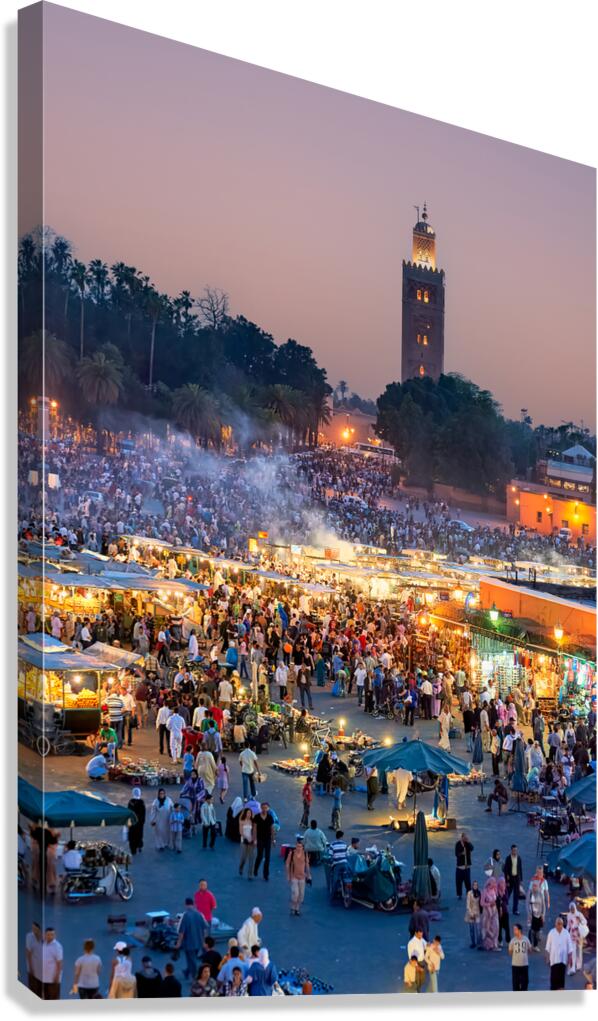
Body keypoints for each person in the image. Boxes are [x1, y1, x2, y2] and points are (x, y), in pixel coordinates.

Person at [176, 898, 209, 981]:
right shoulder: (199, 914)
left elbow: (181, 932)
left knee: (192, 960)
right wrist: (204, 941)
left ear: (185, 904)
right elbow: (205, 928)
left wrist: (178, 944)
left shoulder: (185, 915)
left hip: (189, 943)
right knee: (192, 958)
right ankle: (187, 972)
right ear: (193, 904)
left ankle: (195, 978)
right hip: (199, 942)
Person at [545, 916, 574, 990]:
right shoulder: (551, 932)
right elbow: (548, 947)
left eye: (560, 924)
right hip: (553, 961)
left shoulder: (566, 933)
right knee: (553, 980)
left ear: (562, 924)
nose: (559, 925)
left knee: (561, 981)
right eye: (558, 923)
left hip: (563, 961)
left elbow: (570, 948)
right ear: (555, 924)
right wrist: (547, 958)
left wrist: (570, 959)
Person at [286, 833, 311, 916]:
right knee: (295, 894)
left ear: (302, 847)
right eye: (297, 846)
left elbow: (307, 865)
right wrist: (288, 875)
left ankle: (297, 908)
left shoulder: (305, 854)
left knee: (301, 895)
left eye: (300, 846)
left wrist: (309, 875)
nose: (299, 848)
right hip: (294, 876)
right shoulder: (292, 854)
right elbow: (287, 864)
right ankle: (293, 907)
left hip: (302, 877)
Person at [253, 802, 275, 881]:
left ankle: (266, 874)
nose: (264, 809)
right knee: (260, 855)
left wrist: (273, 839)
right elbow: (255, 828)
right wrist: (254, 839)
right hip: (260, 839)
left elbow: (272, 829)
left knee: (267, 857)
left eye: (266, 808)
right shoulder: (257, 817)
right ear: (261, 808)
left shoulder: (270, 817)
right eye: (263, 807)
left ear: (268, 808)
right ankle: (255, 868)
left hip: (267, 839)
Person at [40, 927, 63, 1000]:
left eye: (52, 935)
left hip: (53, 980)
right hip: (44, 979)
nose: (50, 936)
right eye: (48, 934)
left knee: (53, 1000)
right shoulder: (43, 945)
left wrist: (57, 976)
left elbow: (60, 963)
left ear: (55, 935)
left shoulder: (57, 946)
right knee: (45, 999)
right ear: (45, 935)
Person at [566, 900, 588, 974]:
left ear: (575, 908)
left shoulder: (579, 914)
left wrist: (580, 923)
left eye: (573, 908)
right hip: (572, 934)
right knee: (573, 950)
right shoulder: (569, 915)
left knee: (579, 950)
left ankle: (578, 965)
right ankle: (573, 967)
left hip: (579, 934)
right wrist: (566, 932)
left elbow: (585, 921)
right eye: (571, 908)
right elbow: (568, 925)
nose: (572, 910)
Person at [508, 923, 531, 991]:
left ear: (519, 930)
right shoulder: (513, 940)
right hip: (515, 965)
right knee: (515, 984)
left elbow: (530, 950)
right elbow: (510, 952)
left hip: (524, 965)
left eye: (515, 929)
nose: (514, 931)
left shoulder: (525, 939)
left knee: (525, 983)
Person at [480, 877, 500, 951]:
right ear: (489, 883)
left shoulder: (494, 890)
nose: (495, 884)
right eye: (493, 882)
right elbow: (481, 903)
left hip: (494, 911)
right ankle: (488, 944)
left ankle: (495, 944)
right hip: (487, 913)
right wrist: (489, 904)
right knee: (487, 928)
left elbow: (496, 900)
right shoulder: (484, 891)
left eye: (495, 882)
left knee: (496, 927)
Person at [527, 879, 546, 951]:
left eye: (535, 886)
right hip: (532, 915)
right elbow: (527, 904)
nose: (534, 887)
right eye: (533, 886)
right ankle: (529, 944)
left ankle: (535, 945)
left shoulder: (540, 894)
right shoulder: (530, 893)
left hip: (539, 915)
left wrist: (543, 915)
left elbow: (543, 905)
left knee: (537, 931)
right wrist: (529, 914)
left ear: (538, 887)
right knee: (531, 930)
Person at [503, 843, 523, 916]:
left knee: (516, 895)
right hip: (510, 879)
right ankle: (504, 908)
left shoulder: (519, 858)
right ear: (511, 850)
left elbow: (520, 869)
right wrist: (506, 881)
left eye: (516, 850)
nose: (515, 851)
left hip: (517, 879)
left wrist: (521, 880)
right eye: (514, 850)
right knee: (507, 894)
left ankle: (515, 910)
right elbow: (505, 870)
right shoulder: (508, 858)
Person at [25, 921, 43, 996]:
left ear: (39, 929)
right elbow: (28, 953)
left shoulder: (42, 939)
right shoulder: (29, 937)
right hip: (32, 970)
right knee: (33, 991)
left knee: (39, 991)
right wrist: (31, 968)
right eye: (33, 928)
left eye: (35, 929)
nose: (34, 930)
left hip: (40, 971)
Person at [127, 787, 146, 856]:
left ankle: (133, 850)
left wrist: (128, 822)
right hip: (139, 823)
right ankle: (139, 846)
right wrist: (142, 822)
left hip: (132, 823)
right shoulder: (141, 802)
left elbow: (129, 812)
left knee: (132, 837)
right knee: (139, 835)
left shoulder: (131, 802)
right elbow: (143, 814)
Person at [238, 807, 257, 878]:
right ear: (245, 813)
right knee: (244, 857)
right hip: (244, 841)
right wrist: (247, 837)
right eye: (247, 813)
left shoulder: (253, 821)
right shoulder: (242, 821)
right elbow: (241, 832)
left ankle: (250, 874)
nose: (249, 814)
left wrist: (254, 839)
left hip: (251, 841)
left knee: (251, 858)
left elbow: (255, 831)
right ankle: (241, 867)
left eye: (250, 813)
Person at [455, 832, 473, 898]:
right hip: (459, 867)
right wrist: (461, 853)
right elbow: (456, 854)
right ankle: (459, 894)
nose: (465, 839)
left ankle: (469, 894)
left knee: (468, 882)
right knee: (458, 882)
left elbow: (472, 848)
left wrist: (469, 842)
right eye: (464, 838)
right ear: (461, 837)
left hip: (467, 867)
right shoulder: (458, 844)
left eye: (466, 838)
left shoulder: (467, 844)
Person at [465, 880, 482, 947]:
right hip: (471, 913)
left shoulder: (479, 893)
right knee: (471, 929)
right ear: (472, 886)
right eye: (474, 885)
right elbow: (468, 905)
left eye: (476, 885)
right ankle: (473, 943)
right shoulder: (469, 893)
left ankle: (479, 943)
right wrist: (471, 913)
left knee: (478, 929)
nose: (475, 886)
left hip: (477, 912)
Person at [496, 876, 511, 947]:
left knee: (507, 927)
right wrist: (500, 900)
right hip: (498, 911)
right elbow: (496, 900)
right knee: (499, 927)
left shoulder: (505, 890)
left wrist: (502, 896)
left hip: (505, 911)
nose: (502, 883)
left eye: (503, 882)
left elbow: (507, 900)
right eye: (501, 882)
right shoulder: (496, 890)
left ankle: (508, 941)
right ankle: (500, 941)